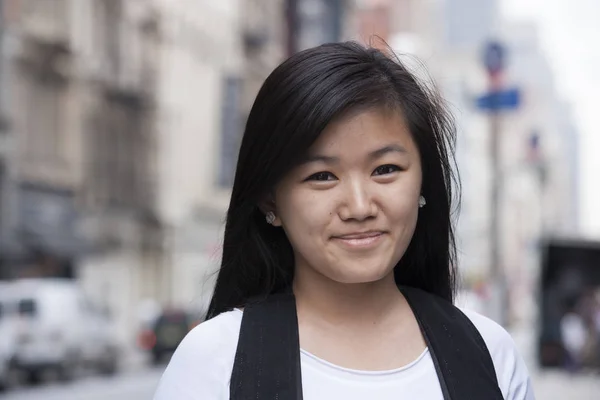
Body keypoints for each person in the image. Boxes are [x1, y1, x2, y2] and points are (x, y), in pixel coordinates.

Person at [153, 42, 534, 399]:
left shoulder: (488, 354)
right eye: (322, 176)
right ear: (271, 198)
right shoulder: (217, 361)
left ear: (425, 181)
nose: (359, 206)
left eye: (386, 169)